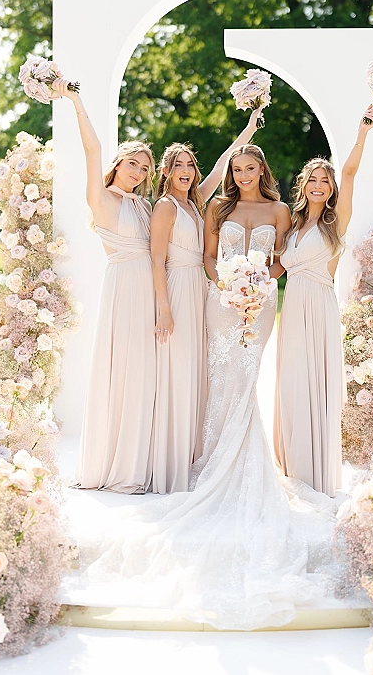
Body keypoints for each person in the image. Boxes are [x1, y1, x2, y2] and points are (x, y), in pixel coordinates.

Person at [80, 144, 336, 630]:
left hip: (258, 306)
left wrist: (258, 281)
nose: (240, 175)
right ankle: (214, 459)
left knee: (247, 381)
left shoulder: (281, 211)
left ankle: (246, 463)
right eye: (235, 169)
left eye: (249, 167)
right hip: (220, 304)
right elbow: (209, 257)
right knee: (219, 381)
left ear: (263, 169)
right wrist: (226, 285)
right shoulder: (217, 207)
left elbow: (283, 260)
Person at [150, 111, 262, 493]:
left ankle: (191, 454)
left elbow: (222, 166)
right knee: (177, 370)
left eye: (190, 164)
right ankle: (169, 461)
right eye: (178, 164)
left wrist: (247, 129)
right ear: (165, 172)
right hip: (177, 289)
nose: (186, 169)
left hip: (200, 291)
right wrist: (164, 308)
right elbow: (155, 258)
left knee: (198, 371)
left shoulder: (196, 201)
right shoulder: (165, 206)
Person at [53, 78, 157, 493]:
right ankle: (114, 462)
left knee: (146, 372)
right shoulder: (103, 198)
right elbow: (92, 149)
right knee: (123, 368)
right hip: (124, 286)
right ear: (119, 163)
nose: (140, 171)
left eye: (146, 167)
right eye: (134, 162)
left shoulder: (144, 204)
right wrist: (77, 100)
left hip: (151, 287)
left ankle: (140, 456)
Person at [273, 104, 373, 497]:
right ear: (304, 185)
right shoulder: (292, 222)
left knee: (314, 382)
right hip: (292, 307)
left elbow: (349, 171)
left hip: (319, 306)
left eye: (325, 180)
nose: (319, 184)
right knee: (290, 382)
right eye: (313, 179)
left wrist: (363, 130)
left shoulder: (335, 221)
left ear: (331, 187)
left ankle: (315, 470)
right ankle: (292, 463)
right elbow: (276, 269)